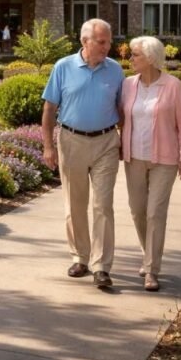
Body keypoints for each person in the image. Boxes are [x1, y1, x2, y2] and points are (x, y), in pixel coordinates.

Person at [41, 18, 124, 289]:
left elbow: (122, 110)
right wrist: (48, 146)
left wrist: (126, 141)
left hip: (106, 143)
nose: (107, 47)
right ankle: (80, 257)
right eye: (101, 42)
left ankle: (101, 266)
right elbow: (49, 110)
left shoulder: (115, 71)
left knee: (103, 205)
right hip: (71, 141)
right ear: (84, 41)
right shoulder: (63, 67)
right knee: (75, 204)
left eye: (109, 41)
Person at [122, 36, 181, 292]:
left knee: (155, 213)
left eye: (135, 55)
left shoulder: (173, 86)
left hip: (165, 159)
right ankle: (147, 252)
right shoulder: (128, 85)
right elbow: (121, 117)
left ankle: (151, 269)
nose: (130, 59)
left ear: (151, 58)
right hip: (134, 158)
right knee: (137, 211)